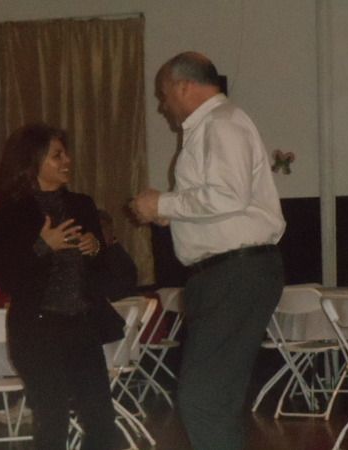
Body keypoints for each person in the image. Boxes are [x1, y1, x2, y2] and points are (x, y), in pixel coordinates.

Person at [130, 52, 286, 450]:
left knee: (202, 399)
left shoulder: (221, 123)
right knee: (215, 399)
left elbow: (227, 195)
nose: (162, 105)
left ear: (184, 86)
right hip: (230, 274)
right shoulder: (216, 124)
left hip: (234, 274)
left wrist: (162, 203)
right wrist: (173, 215)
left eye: (164, 93)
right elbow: (223, 204)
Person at [0, 123, 119, 450]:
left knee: (102, 419)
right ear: (33, 162)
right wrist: (42, 246)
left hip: (81, 325)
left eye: (66, 154)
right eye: (57, 155)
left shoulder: (82, 205)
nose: (67, 161)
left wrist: (95, 247)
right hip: (37, 330)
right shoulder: (12, 214)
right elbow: (6, 278)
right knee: (53, 420)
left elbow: (103, 271)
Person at [90, 209, 138, 302]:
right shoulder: (105, 254)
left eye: (101, 228)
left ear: (110, 230)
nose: (96, 234)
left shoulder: (118, 259)